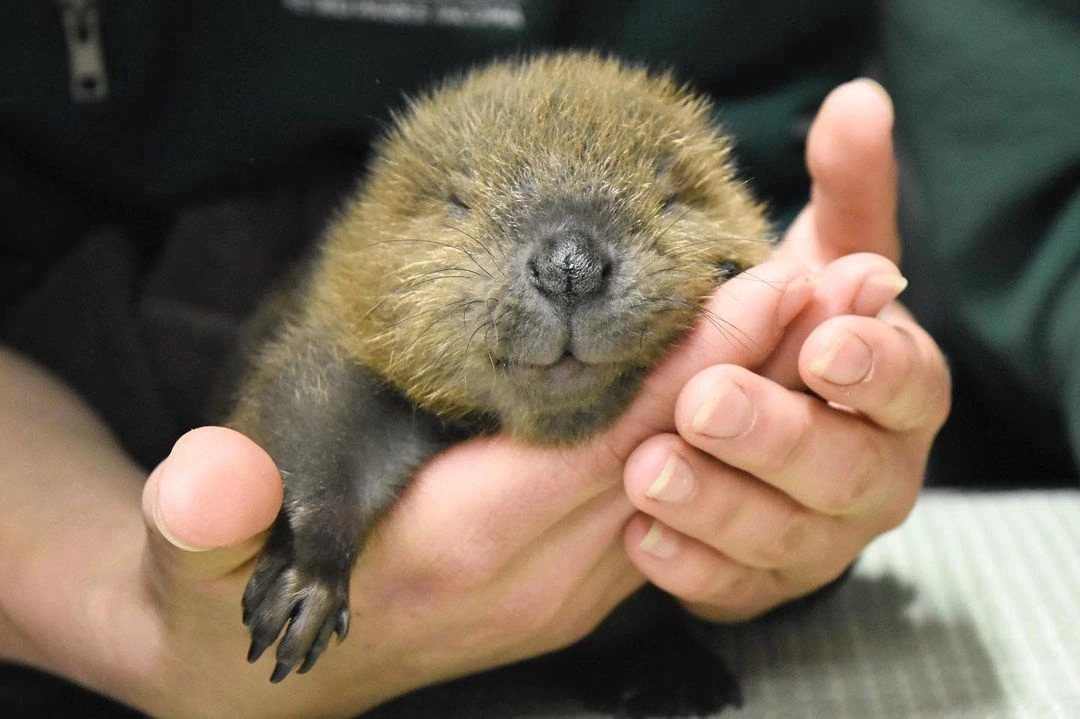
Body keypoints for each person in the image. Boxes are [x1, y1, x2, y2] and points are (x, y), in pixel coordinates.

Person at [3, 0, 1028, 716]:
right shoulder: (358, 324)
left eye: (661, 206)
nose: (571, 269)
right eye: (466, 214)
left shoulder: (731, 267)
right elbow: (331, 383)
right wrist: (135, 606)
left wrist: (811, 484)